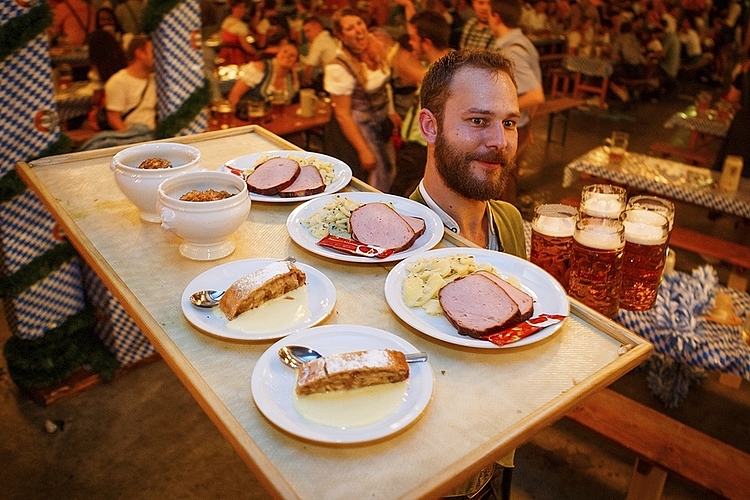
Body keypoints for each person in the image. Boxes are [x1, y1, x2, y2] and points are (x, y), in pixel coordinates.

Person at [409, 49, 524, 500]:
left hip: (496, 461)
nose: (500, 141)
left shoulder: (512, 222)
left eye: (510, 123)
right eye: (478, 121)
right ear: (429, 126)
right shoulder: (393, 250)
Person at [323, 8, 400, 192]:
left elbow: (386, 84)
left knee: (389, 172)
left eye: (359, 23)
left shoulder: (374, 48)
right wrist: (363, 150)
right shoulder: (338, 66)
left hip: (380, 125)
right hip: (356, 131)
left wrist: (390, 111)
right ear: (340, 35)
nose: (358, 30)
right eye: (350, 28)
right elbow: (342, 114)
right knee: (369, 179)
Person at [389, 11, 452, 197]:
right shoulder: (445, 63)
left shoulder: (443, 72)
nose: (411, 43)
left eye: (414, 39)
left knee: (398, 199)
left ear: (427, 43)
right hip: (418, 147)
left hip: (422, 148)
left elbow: (405, 69)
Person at [488, 0, 544, 204]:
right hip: (520, 126)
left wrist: (503, 114)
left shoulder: (513, 50)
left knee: (502, 184)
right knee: (507, 179)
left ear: (496, 17)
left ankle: (502, 231)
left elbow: (536, 94)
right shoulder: (523, 42)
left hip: (513, 128)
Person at [227, 42, 300, 118]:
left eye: (292, 55)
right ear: (278, 53)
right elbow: (234, 95)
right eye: (285, 51)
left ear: (296, 61)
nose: (287, 56)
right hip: (251, 119)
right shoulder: (260, 68)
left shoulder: (292, 75)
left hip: (280, 120)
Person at [104, 35, 157, 131]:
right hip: (132, 135)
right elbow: (114, 118)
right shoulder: (118, 81)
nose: (157, 57)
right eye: (153, 53)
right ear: (139, 53)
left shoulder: (155, 79)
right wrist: (130, 139)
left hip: (152, 135)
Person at [713, 50, 750, 176]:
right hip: (743, 124)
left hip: (743, 125)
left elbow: (732, 97)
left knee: (732, 170)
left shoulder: (744, 71)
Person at [300, 16, 339, 90]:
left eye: (308, 31)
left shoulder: (320, 40)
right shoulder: (329, 37)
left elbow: (309, 66)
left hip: (334, 78)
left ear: (317, 26)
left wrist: (305, 82)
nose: (306, 35)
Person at [219, 0, 259, 66]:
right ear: (233, 8)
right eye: (239, 7)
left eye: (244, 7)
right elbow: (246, 46)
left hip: (225, 53)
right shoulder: (240, 25)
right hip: (236, 55)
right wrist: (256, 52)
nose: (243, 10)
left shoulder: (227, 20)